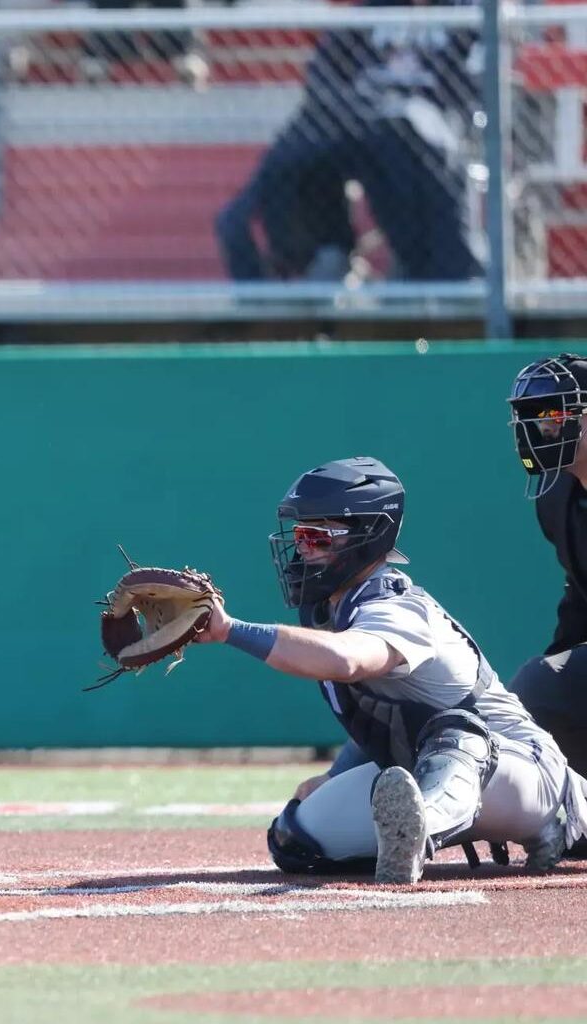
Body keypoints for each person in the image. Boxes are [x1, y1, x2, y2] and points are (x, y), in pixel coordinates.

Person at [192, 456, 584, 884]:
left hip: (521, 772)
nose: (302, 548)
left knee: (454, 733)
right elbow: (386, 721)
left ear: (368, 535)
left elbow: (346, 660)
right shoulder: (329, 609)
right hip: (426, 769)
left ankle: (479, 825)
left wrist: (230, 630)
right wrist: (334, 776)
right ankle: (418, 825)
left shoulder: (398, 605)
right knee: (299, 839)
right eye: (299, 535)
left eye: (316, 536)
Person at [215, 0, 481, 284]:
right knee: (287, 162)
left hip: (427, 127)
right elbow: (322, 77)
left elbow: (471, 87)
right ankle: (316, 257)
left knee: (403, 139)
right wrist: (362, 107)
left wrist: (405, 106)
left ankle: (431, 270)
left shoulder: (468, 15)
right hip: (356, 123)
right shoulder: (371, 13)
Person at [505, 354, 587, 780]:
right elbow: (580, 596)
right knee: (530, 697)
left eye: (553, 414)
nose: (543, 428)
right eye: (536, 417)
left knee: (540, 685)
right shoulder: (556, 499)